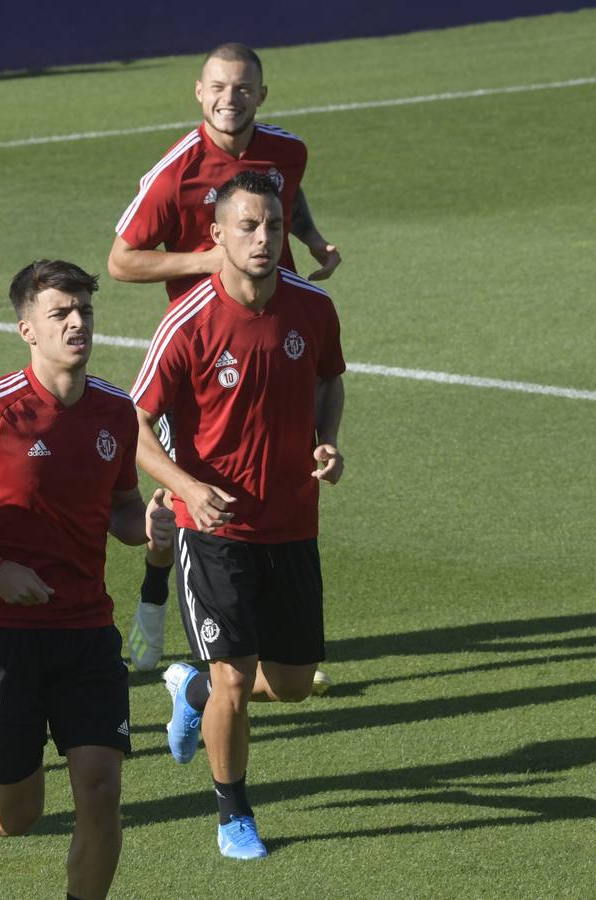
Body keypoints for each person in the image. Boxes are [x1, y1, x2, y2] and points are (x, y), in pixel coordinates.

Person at [0, 260, 175, 899]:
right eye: (61, 313)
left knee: (101, 795)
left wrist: (149, 528)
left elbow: (120, 510)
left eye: (84, 309)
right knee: (18, 813)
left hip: (86, 631)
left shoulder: (115, 413)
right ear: (27, 328)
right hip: (3, 636)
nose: (77, 322)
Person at [107, 43, 341, 691]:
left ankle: (235, 655)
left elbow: (284, 199)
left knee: (261, 493)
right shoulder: (176, 172)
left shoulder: (284, 151)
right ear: (197, 92)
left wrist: (310, 239)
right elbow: (121, 261)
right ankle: (160, 610)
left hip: (279, 337)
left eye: (240, 89)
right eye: (217, 88)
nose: (227, 99)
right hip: (203, 358)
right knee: (180, 499)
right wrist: (207, 264)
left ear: (260, 94)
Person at [129, 171, 346, 859]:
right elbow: (134, 423)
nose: (262, 238)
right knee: (235, 680)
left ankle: (187, 688)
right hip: (213, 530)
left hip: (291, 521)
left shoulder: (311, 308)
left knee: (290, 685)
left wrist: (326, 442)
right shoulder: (187, 320)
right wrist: (187, 488)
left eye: (273, 227)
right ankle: (232, 813)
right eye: (247, 226)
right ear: (216, 235)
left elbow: (327, 380)